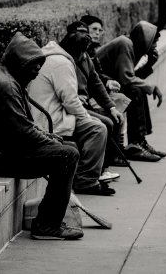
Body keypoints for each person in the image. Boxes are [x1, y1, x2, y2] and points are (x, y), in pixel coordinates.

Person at [0, 32, 83, 240]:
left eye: (39, 66)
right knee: (67, 156)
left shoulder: (9, 80)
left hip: (1, 151)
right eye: (34, 65)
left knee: (70, 149)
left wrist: (48, 136)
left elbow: (25, 125)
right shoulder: (5, 85)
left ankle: (49, 221)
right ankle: (47, 225)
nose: (37, 71)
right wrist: (48, 139)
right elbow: (24, 131)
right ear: (20, 62)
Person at [28, 23, 115, 196]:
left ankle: (86, 175)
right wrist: (87, 118)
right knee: (98, 129)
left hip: (47, 113)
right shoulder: (62, 63)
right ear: (77, 52)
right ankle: (86, 181)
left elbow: (91, 85)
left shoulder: (51, 54)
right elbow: (71, 101)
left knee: (98, 123)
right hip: (49, 119)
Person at [95, 21, 166, 162]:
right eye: (154, 42)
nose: (155, 46)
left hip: (110, 86)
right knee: (136, 92)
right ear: (145, 39)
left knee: (138, 90)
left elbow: (131, 77)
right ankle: (136, 144)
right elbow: (127, 79)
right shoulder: (125, 44)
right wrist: (152, 88)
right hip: (99, 89)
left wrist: (150, 63)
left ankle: (140, 141)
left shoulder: (133, 46)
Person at [80, 15, 131, 167]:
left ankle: (119, 150)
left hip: (93, 96)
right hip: (85, 100)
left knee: (122, 101)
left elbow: (97, 75)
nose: (97, 33)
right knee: (113, 114)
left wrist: (108, 81)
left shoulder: (91, 51)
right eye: (94, 29)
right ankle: (111, 158)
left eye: (100, 30)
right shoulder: (81, 52)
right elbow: (89, 80)